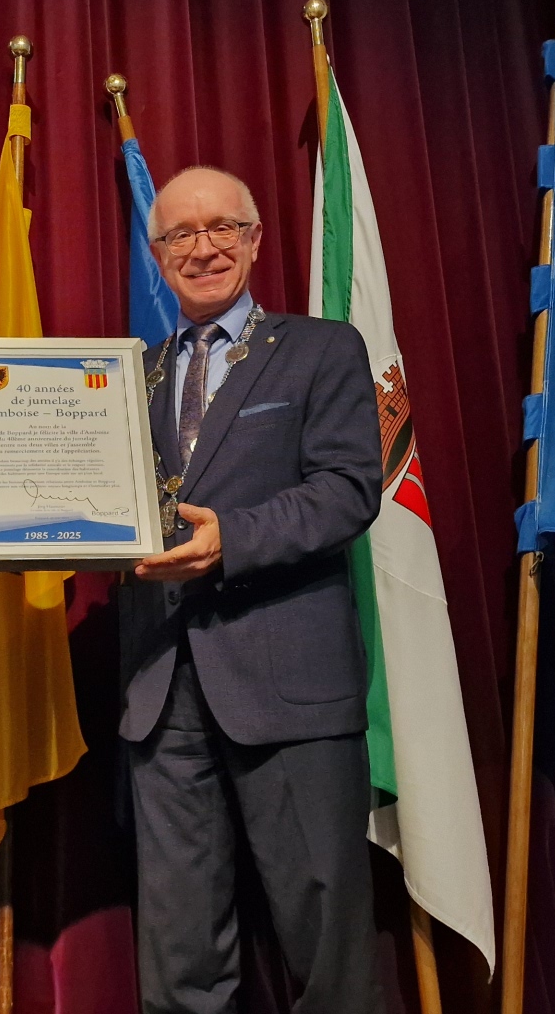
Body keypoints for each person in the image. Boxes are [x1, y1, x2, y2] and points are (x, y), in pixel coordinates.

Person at [122, 166, 388, 1012]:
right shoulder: (126, 376)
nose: (202, 248)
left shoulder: (322, 349)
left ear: (256, 239)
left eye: (222, 229)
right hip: (161, 690)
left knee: (328, 944)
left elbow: (349, 489)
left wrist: (232, 539)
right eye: (180, 234)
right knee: (180, 956)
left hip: (290, 685)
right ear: (157, 253)